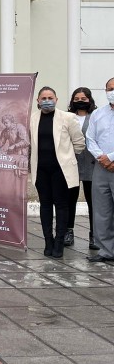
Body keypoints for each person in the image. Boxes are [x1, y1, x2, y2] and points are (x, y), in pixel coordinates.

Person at [29, 86, 85, 258]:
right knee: (45, 205)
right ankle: (48, 241)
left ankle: (59, 242)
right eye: (43, 98)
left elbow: (79, 143)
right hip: (41, 170)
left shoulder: (67, 118)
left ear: (56, 99)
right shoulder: (32, 118)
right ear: (38, 101)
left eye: (50, 97)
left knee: (61, 205)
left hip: (61, 170)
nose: (47, 100)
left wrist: (66, 158)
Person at [85, 77, 114, 263]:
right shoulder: (98, 114)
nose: (112, 91)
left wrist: (111, 157)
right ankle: (106, 251)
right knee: (102, 210)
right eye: (109, 88)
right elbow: (90, 138)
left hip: (110, 161)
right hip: (101, 168)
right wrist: (103, 158)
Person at [66, 88, 99, 249]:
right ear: (72, 100)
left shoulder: (96, 116)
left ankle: (95, 234)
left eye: (84, 98)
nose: (80, 101)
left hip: (92, 164)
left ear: (90, 100)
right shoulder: (67, 117)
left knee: (94, 202)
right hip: (70, 164)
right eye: (77, 98)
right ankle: (67, 231)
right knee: (69, 200)